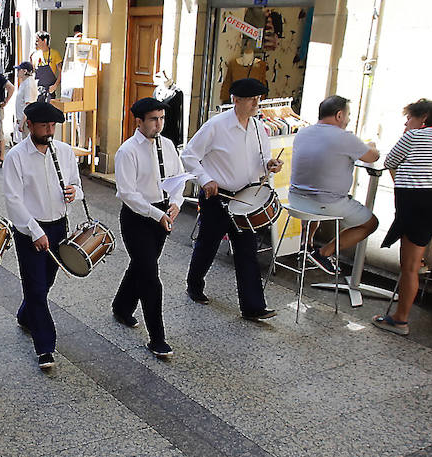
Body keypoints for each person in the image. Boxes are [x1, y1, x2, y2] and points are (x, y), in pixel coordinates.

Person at [181, 78, 282, 321]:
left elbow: (262, 159)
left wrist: (270, 165)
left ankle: (253, 306)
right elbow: (188, 155)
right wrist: (205, 180)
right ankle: (194, 285)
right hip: (218, 197)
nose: (256, 103)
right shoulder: (216, 125)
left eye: (259, 99)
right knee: (207, 245)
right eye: (251, 99)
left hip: (245, 199)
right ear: (236, 100)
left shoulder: (259, 128)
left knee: (247, 252)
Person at [4, 101, 82, 370]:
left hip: (58, 226)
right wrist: (35, 231)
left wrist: (74, 192)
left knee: (46, 282)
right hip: (29, 229)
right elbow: (13, 201)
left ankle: (26, 316)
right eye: (44, 126)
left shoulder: (64, 152)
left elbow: (77, 187)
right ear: (30, 125)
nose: (49, 131)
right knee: (36, 287)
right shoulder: (16, 157)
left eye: (53, 126)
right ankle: (45, 348)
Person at [373, 99, 432, 336]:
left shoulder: (413, 137)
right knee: (418, 247)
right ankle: (421, 257)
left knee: (408, 267)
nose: (406, 122)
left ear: (423, 118)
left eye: (409, 118)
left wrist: (400, 181)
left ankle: (400, 320)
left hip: (419, 204)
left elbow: (389, 162)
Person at [112, 97, 185, 358]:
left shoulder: (167, 145)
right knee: (150, 277)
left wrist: (176, 203)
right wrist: (156, 214)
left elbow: (178, 179)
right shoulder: (127, 151)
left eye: (162, 118)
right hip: (137, 218)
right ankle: (157, 338)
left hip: (161, 216)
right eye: (154, 119)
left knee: (142, 265)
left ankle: (121, 307)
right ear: (139, 121)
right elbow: (127, 194)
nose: (159, 124)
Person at [288, 95, 380, 273]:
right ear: (339, 115)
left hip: (295, 200)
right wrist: (371, 144)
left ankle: (307, 245)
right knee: (371, 223)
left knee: (329, 200)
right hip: (325, 204)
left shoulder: (303, 132)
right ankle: (323, 253)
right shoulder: (344, 137)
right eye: (348, 115)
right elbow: (372, 156)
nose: (349, 119)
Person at [30, 31, 62, 101]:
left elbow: (61, 72)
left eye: (37, 40)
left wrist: (55, 85)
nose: (36, 43)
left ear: (44, 41)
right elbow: (32, 73)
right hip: (37, 91)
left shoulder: (55, 54)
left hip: (50, 92)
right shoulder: (34, 55)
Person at [14, 61, 37, 142]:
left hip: (27, 121)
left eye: (19, 70)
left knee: (28, 143)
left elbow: (29, 105)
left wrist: (22, 122)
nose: (17, 72)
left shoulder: (28, 84)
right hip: (23, 119)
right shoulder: (25, 82)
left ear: (24, 71)